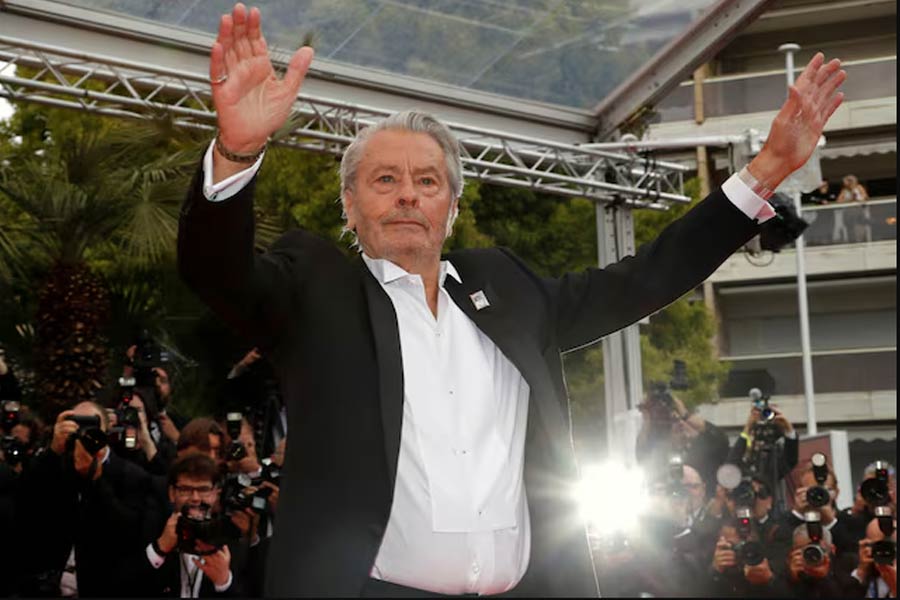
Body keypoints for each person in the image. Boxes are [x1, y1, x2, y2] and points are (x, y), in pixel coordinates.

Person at [177, 3, 846, 596]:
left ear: (452, 207)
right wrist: (237, 151)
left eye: (427, 181)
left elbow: (643, 280)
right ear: (349, 207)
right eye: (384, 180)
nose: (408, 194)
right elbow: (218, 272)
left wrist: (766, 170)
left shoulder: (507, 290)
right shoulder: (318, 289)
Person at [13, 401, 159, 596]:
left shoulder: (132, 475)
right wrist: (53, 451)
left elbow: (127, 530)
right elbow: (25, 501)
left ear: (107, 430)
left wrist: (95, 480)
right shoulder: (56, 466)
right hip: (47, 584)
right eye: (77, 424)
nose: (85, 432)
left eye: (92, 424)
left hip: (102, 585)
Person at [138, 453, 242, 597]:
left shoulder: (232, 541)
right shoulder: (148, 530)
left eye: (203, 490)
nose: (195, 498)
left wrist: (223, 583)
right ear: (172, 493)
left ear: (215, 494)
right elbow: (122, 587)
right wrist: (159, 549)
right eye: (185, 490)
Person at [785, 523, 845, 598]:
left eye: (816, 549)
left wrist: (824, 578)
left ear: (832, 549)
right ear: (793, 552)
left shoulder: (845, 570)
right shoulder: (786, 575)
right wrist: (793, 581)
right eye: (805, 550)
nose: (811, 555)